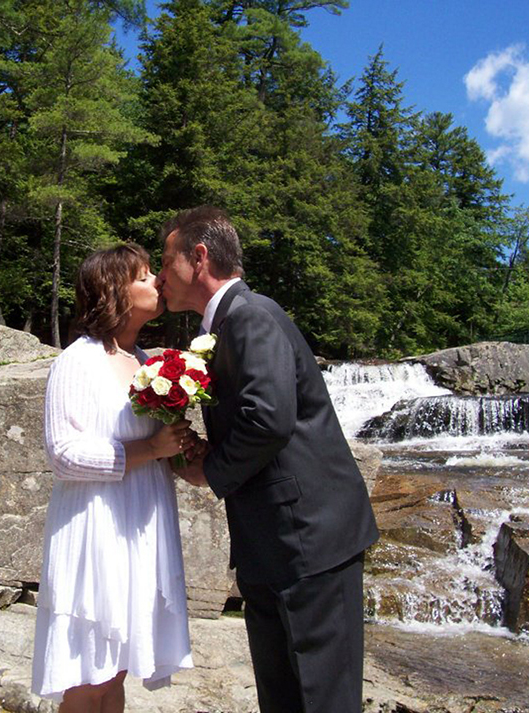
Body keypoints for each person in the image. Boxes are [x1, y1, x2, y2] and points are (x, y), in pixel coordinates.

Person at [155, 206, 379, 712]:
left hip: (310, 544)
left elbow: (270, 420)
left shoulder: (251, 315)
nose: (159, 275)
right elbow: (263, 421)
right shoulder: (229, 323)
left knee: (323, 700)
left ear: (199, 257)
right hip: (277, 544)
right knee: (285, 699)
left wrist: (208, 469)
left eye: (166, 261)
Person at [34, 244, 195, 709]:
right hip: (96, 527)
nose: (157, 283)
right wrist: (149, 448)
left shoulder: (147, 361)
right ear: (114, 290)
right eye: (144, 277)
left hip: (140, 527)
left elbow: (162, 449)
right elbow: (63, 454)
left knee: (118, 667)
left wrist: (182, 448)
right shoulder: (78, 361)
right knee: (90, 672)